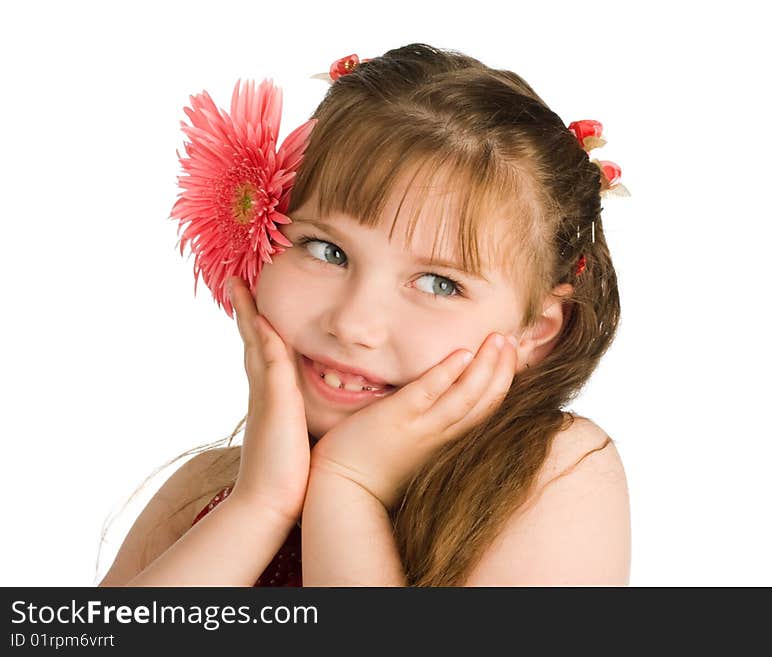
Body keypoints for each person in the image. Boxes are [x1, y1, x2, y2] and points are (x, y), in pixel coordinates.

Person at [97, 43, 631, 587]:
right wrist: (258, 505)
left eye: (439, 283)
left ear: (533, 331)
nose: (352, 324)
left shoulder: (555, 475)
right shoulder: (205, 489)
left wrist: (348, 489)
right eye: (327, 250)